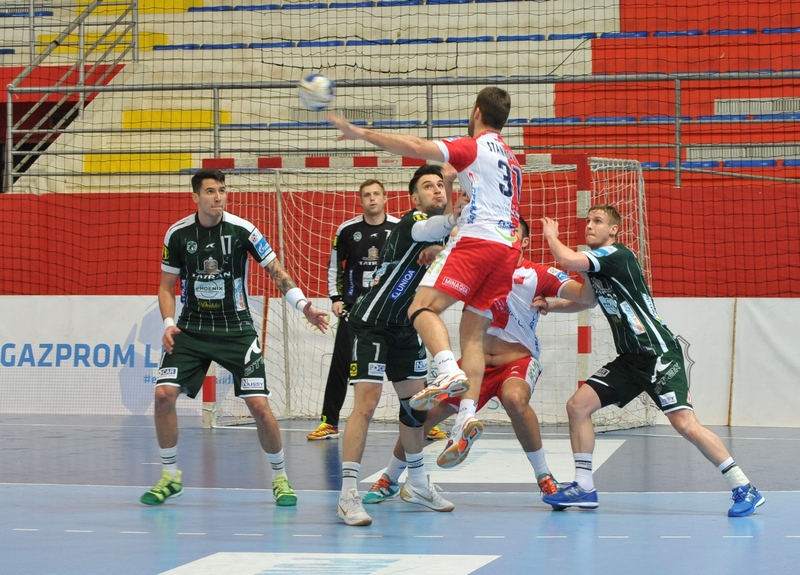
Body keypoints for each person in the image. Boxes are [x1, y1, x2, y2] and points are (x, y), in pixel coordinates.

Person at [330, 86, 523, 470]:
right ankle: (465, 415)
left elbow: (417, 145)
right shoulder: (512, 160)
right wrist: (451, 190)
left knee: (422, 308)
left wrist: (362, 133)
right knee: (473, 335)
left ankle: (447, 371)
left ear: (476, 111)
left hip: (480, 241)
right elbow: (454, 218)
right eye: (429, 186)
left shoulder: (473, 146)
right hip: (509, 246)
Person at [539, 204, 765, 517]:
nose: (589, 225)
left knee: (685, 424)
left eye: (597, 221)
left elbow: (565, 259)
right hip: (630, 360)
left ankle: (744, 486)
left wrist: (551, 236)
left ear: (614, 230)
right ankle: (584, 486)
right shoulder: (596, 266)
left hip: (658, 355)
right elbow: (587, 299)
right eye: (588, 220)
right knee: (578, 406)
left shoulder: (617, 255)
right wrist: (550, 306)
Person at [362, 216, 595, 504]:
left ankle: (544, 476)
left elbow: (587, 298)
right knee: (423, 416)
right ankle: (389, 479)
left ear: (524, 242)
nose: (505, 235)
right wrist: (439, 251)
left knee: (514, 399)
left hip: (517, 361)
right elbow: (456, 258)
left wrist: (567, 280)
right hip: (476, 366)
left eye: (513, 232)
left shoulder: (538, 274)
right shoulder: (479, 270)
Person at [141, 168, 329, 507]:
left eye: (222, 190)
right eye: (211, 191)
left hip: (236, 329)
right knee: (163, 395)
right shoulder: (178, 234)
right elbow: (166, 286)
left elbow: (277, 272)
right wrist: (168, 323)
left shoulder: (244, 230)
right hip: (192, 328)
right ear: (195, 197)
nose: (219, 197)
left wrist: (303, 306)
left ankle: (280, 478)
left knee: (258, 406)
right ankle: (169, 477)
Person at [336, 163, 461, 527]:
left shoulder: (444, 238)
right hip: (371, 324)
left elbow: (454, 242)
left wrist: (442, 248)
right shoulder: (413, 223)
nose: (437, 190)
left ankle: (417, 484)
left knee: (415, 408)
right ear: (414, 198)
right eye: (428, 186)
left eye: (440, 185)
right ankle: (347, 495)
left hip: (406, 328)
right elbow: (437, 227)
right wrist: (456, 202)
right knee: (366, 405)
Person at [307, 179, 400, 441]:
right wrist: (335, 298)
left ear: (385, 198)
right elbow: (334, 266)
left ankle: (424, 420)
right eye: (367, 195)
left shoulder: (398, 228)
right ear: (360, 201)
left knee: (403, 366)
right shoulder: (347, 230)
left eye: (376, 194)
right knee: (341, 364)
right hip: (355, 310)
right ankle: (329, 422)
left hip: (389, 309)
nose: (372, 198)